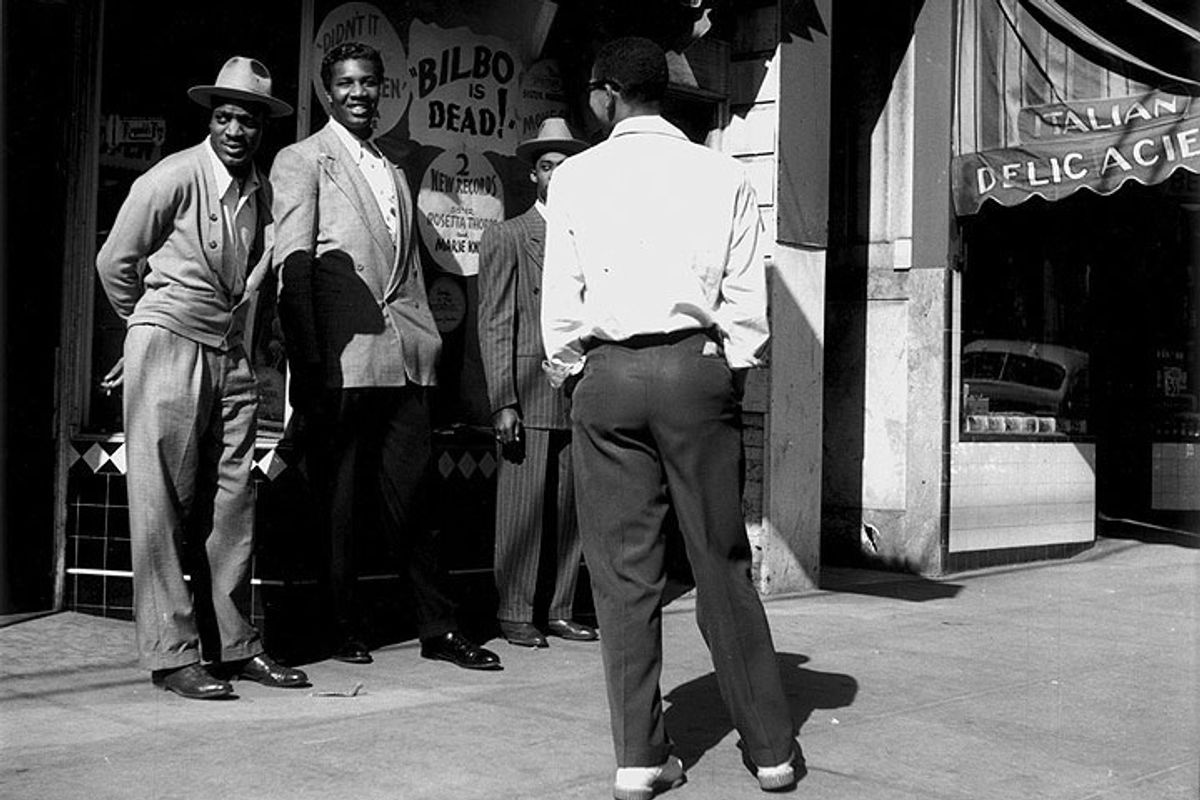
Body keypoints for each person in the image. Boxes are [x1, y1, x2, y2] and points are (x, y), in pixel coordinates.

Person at [541, 37, 799, 797]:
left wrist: (572, 368)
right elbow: (749, 298)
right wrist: (729, 365)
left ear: (609, 94)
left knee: (623, 574)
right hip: (696, 369)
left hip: (610, 374)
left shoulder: (577, 178)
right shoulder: (721, 172)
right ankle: (773, 751)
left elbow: (564, 297)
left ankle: (640, 759)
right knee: (720, 560)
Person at [271, 41, 500, 671]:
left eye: (369, 83)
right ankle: (341, 627)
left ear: (381, 90)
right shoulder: (302, 160)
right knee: (338, 504)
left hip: (405, 358)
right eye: (346, 83)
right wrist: (310, 368)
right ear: (328, 91)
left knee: (417, 496)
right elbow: (293, 267)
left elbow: (409, 275)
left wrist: (428, 344)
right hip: (342, 361)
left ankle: (438, 627)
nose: (358, 94)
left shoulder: (394, 168)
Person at [95, 56, 308, 699]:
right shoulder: (174, 176)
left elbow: (257, 280)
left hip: (230, 355)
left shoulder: (262, 192)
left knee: (233, 500)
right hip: (170, 345)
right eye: (225, 117)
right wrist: (148, 329)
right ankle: (172, 655)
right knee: (161, 504)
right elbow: (115, 261)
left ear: (262, 128)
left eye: (248, 119)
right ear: (209, 120)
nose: (236, 129)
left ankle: (235, 647)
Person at [477, 118, 598, 649]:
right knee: (523, 507)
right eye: (549, 166)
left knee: (574, 508)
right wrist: (503, 399)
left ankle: (561, 608)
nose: (558, 173)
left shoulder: (595, 236)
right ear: (534, 176)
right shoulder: (508, 235)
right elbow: (496, 320)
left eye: (568, 165)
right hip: (528, 388)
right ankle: (515, 610)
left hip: (583, 388)